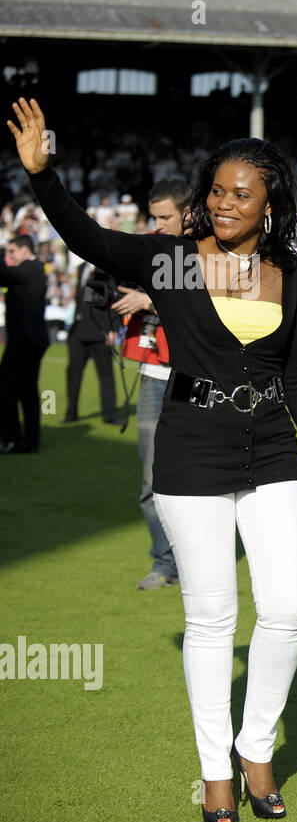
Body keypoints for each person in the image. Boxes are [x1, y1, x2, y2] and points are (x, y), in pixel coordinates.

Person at [9, 97, 297, 822]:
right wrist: (43, 177)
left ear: (270, 204)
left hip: (271, 447)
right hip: (191, 446)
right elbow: (88, 237)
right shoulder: (168, 258)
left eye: (241, 193)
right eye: (217, 190)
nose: (224, 203)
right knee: (211, 617)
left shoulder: (290, 271)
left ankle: (256, 747)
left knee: (288, 605)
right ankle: (215, 772)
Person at [109, 178, 188, 589]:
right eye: (152, 217)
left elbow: (206, 299)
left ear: (187, 213)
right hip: (153, 375)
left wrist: (150, 299)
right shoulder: (149, 249)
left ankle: (196, 560)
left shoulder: (205, 251)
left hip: (194, 379)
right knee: (151, 478)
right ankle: (164, 563)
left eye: (164, 217)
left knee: (201, 475)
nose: (156, 225)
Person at [0, 234, 48, 453]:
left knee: (7, 390)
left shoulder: (32, 268)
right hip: (27, 340)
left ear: (24, 250)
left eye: (12, 251)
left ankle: (14, 438)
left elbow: (3, 273)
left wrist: (0, 254)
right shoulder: (30, 270)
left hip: (25, 342)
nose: (9, 256)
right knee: (26, 391)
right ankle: (28, 441)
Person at [62, 259, 121, 425]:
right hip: (78, 331)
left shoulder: (109, 268)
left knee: (106, 374)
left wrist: (114, 328)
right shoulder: (81, 268)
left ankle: (110, 415)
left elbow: (116, 298)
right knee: (73, 373)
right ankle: (70, 414)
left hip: (100, 331)